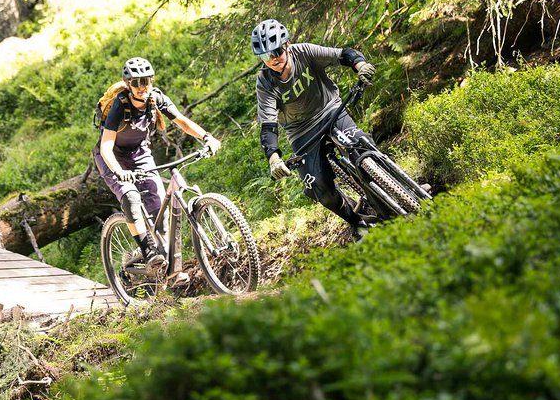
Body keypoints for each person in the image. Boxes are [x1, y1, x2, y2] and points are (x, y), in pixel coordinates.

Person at [93, 57, 221, 282]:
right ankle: (148, 251)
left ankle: (170, 270)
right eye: (137, 82)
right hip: (112, 157)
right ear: (128, 84)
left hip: (140, 154)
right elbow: (105, 146)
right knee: (131, 197)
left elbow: (181, 121)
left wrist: (206, 137)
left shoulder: (156, 98)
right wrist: (119, 171)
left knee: (158, 208)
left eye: (147, 81)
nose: (143, 87)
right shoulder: (119, 105)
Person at [252, 19, 379, 240]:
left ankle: (402, 186)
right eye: (265, 56)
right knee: (320, 189)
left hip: (331, 110)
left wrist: (360, 66)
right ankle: (357, 223)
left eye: (276, 52)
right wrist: (273, 157)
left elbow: (343, 54)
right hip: (301, 132)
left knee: (361, 145)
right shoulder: (265, 82)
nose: (272, 60)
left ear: (287, 45)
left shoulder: (305, 52)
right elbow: (268, 125)